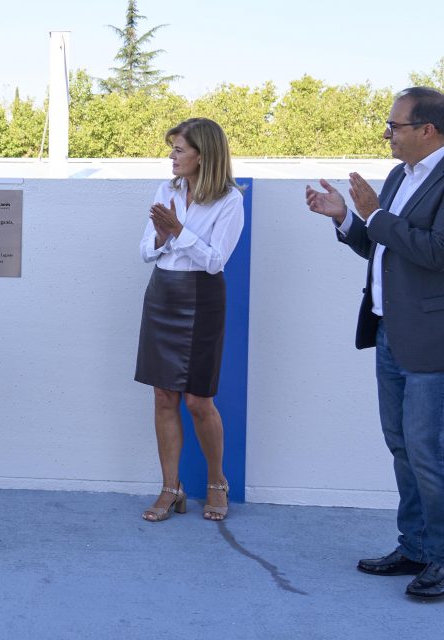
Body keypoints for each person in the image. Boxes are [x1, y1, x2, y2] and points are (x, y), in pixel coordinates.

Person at [305, 87, 444, 600]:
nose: (387, 134)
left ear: (427, 130)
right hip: (391, 331)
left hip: (438, 340)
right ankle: (415, 545)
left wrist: (374, 215)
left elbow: (440, 252)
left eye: (394, 126)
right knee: (402, 447)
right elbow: (380, 245)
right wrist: (345, 218)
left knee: (430, 452)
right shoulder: (399, 177)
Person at [134, 118, 244, 524]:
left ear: (204, 154)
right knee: (163, 396)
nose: (171, 157)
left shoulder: (230, 199)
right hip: (162, 295)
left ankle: (217, 482)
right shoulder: (167, 190)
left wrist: (178, 232)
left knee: (199, 401)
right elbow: (146, 250)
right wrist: (164, 237)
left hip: (202, 299)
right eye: (173, 149)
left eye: (179, 150)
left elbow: (216, 261)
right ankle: (171, 487)